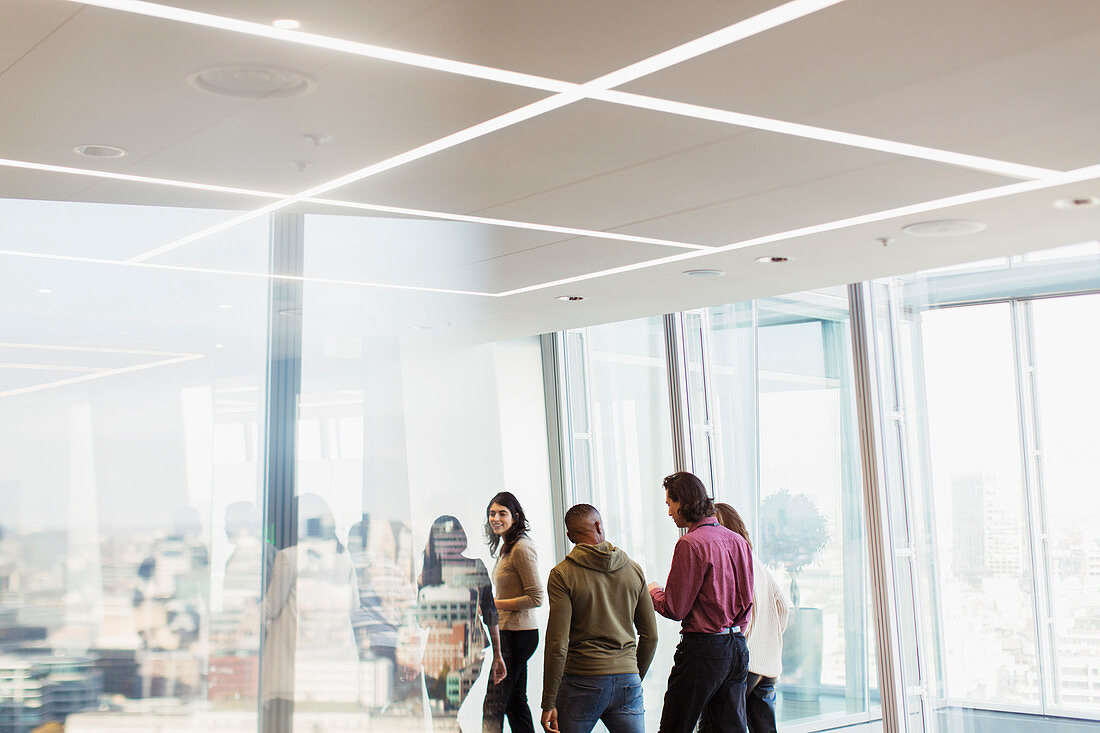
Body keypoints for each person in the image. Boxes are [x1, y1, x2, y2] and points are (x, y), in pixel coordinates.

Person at [648, 472, 754, 733]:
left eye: (669, 504)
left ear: (682, 502)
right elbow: (748, 600)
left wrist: (652, 591)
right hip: (736, 648)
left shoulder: (690, 544)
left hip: (703, 651)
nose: (669, 512)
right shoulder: (738, 541)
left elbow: (675, 608)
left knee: (676, 726)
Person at [541, 504, 658, 733]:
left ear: (569, 536)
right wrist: (632, 675)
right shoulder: (633, 569)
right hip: (627, 680)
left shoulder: (562, 574)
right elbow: (651, 636)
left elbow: (558, 644)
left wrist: (548, 702)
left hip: (581, 680)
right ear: (598, 526)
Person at [416, 515, 505, 725]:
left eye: (452, 536)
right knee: (442, 719)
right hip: (437, 658)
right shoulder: (427, 575)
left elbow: (490, 613)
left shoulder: (475, 567)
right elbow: (422, 622)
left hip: (468, 654)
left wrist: (498, 655)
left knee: (445, 717)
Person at [714, 503, 790, 733]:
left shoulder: (732, 563)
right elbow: (783, 607)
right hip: (769, 665)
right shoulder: (757, 562)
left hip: (744, 663)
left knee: (722, 725)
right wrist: (769, 636)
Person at [483, 492, 544, 733]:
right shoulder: (506, 547)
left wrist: (496, 603)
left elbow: (536, 597)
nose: (496, 518)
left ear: (515, 517)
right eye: (492, 513)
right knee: (515, 703)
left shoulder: (521, 548)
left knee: (493, 704)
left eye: (502, 513)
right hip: (510, 632)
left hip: (520, 635)